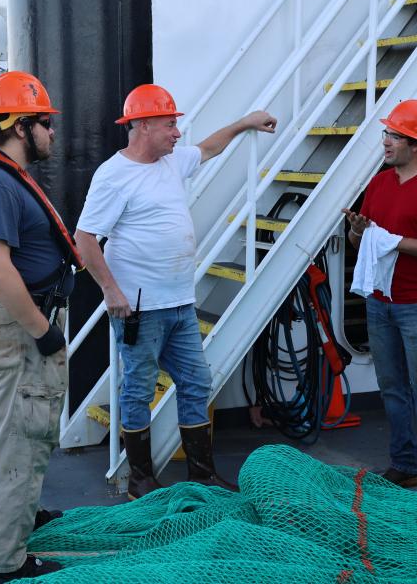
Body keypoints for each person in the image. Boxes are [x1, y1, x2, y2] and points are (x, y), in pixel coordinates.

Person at [74, 84, 276, 499]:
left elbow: (209, 148)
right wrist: (111, 291)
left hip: (181, 303)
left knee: (196, 382)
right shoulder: (114, 175)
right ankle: (141, 480)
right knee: (138, 390)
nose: (177, 133)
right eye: (170, 125)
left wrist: (244, 123)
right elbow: (85, 238)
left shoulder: (171, 162)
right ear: (143, 126)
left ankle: (201, 475)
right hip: (138, 309)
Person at [0, 71, 83, 583]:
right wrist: (42, 331)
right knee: (15, 439)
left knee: (27, 434)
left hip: (18, 321)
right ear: (19, 128)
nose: (53, 132)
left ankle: (19, 520)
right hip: (16, 324)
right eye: (45, 123)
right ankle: (2, 565)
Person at [342, 99, 417, 501]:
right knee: (392, 388)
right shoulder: (378, 184)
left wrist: (395, 242)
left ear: (416, 143)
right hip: (380, 302)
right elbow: (364, 244)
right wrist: (359, 231)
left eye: (394, 136)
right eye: (387, 134)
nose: (386, 142)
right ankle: (406, 467)